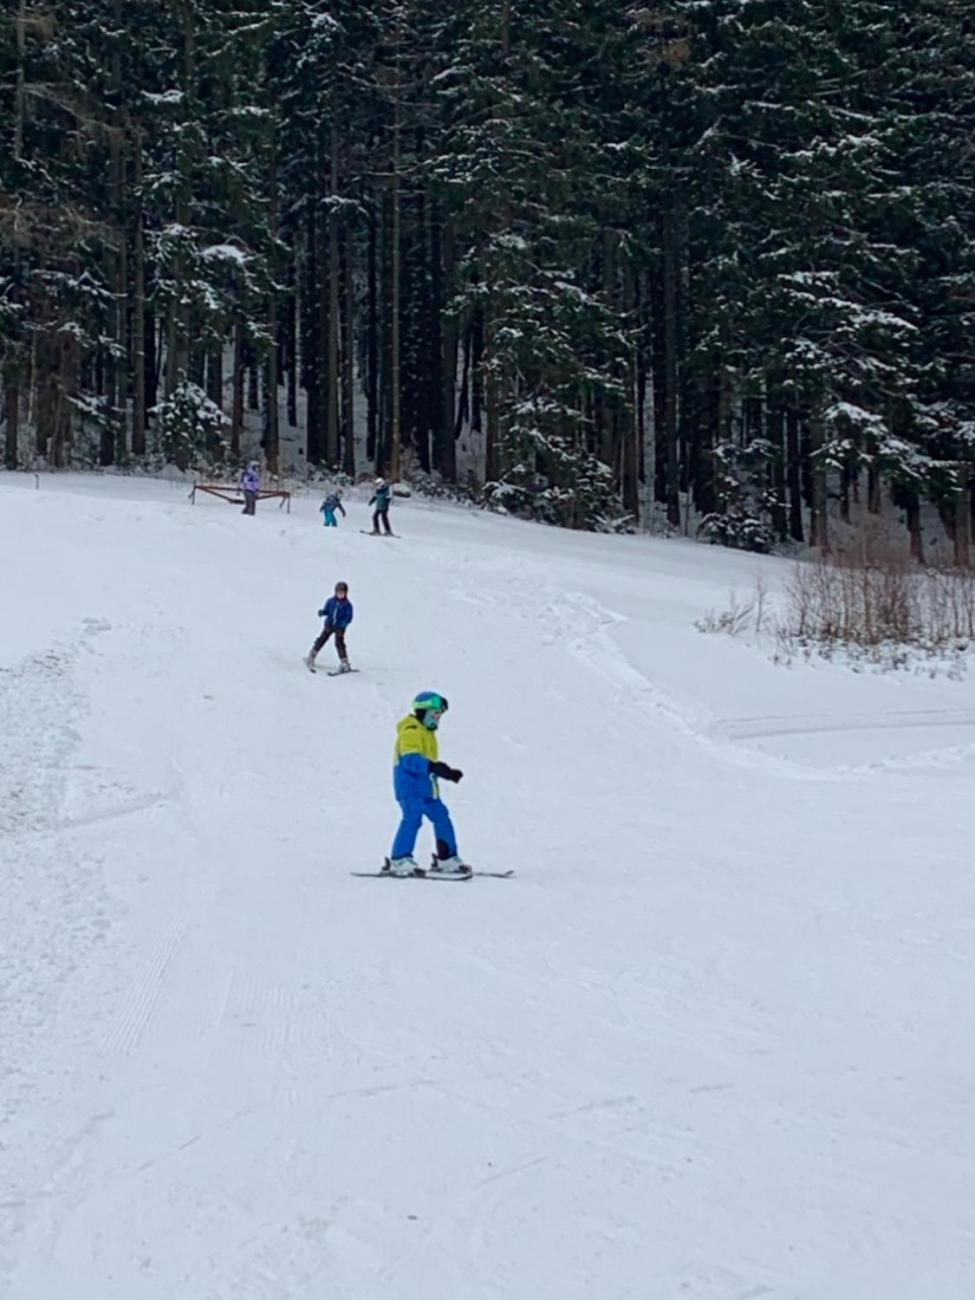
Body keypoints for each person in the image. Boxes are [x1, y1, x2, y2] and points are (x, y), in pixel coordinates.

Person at [386, 691, 468, 877]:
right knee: (412, 818)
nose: (437, 719)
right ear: (423, 712)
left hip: (427, 789)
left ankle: (446, 858)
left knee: (441, 816)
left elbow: (429, 766)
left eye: (439, 715)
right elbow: (410, 760)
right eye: (434, 714)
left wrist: (445, 772)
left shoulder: (427, 734)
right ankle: (399, 859)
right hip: (409, 788)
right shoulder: (411, 732)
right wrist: (435, 767)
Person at [305, 581, 354, 673]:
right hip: (329, 625)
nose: (340, 594)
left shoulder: (347, 605)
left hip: (340, 628)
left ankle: (344, 663)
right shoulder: (330, 601)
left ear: (345, 593)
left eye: (342, 593)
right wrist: (323, 612)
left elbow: (349, 617)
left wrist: (344, 623)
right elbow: (327, 610)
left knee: (339, 643)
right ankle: (311, 656)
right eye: (338, 592)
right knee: (321, 640)